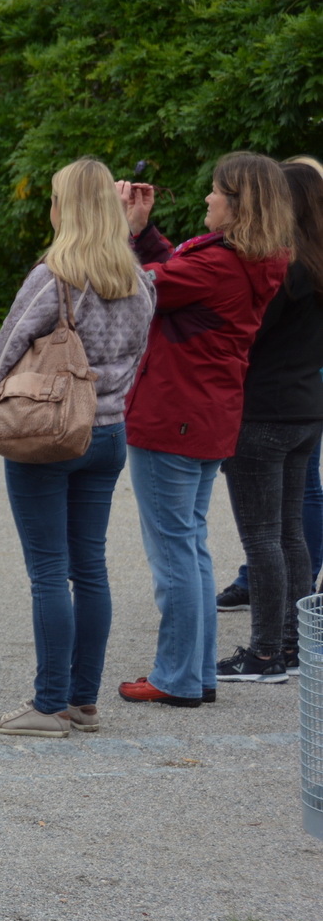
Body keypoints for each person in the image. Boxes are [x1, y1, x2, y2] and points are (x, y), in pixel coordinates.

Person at [0, 159, 154, 737]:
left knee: (49, 571)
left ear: (64, 210)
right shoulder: (139, 279)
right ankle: (84, 700)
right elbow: (138, 357)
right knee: (91, 568)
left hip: (51, 436)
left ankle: (48, 704)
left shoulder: (55, 276)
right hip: (108, 435)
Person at [116, 153, 293, 706]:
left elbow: (137, 288)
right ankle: (195, 674)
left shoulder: (222, 265)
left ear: (239, 204)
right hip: (206, 414)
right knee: (190, 546)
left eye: (217, 192)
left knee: (174, 553)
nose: (209, 199)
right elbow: (176, 273)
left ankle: (176, 678)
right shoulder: (244, 259)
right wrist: (143, 236)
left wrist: (115, 235)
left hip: (175, 416)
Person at [217, 161, 323, 683]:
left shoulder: (284, 270)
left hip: (263, 411)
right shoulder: (317, 264)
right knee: (289, 534)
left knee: (261, 538)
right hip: (307, 410)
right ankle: (298, 644)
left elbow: (248, 336)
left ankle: (264, 654)